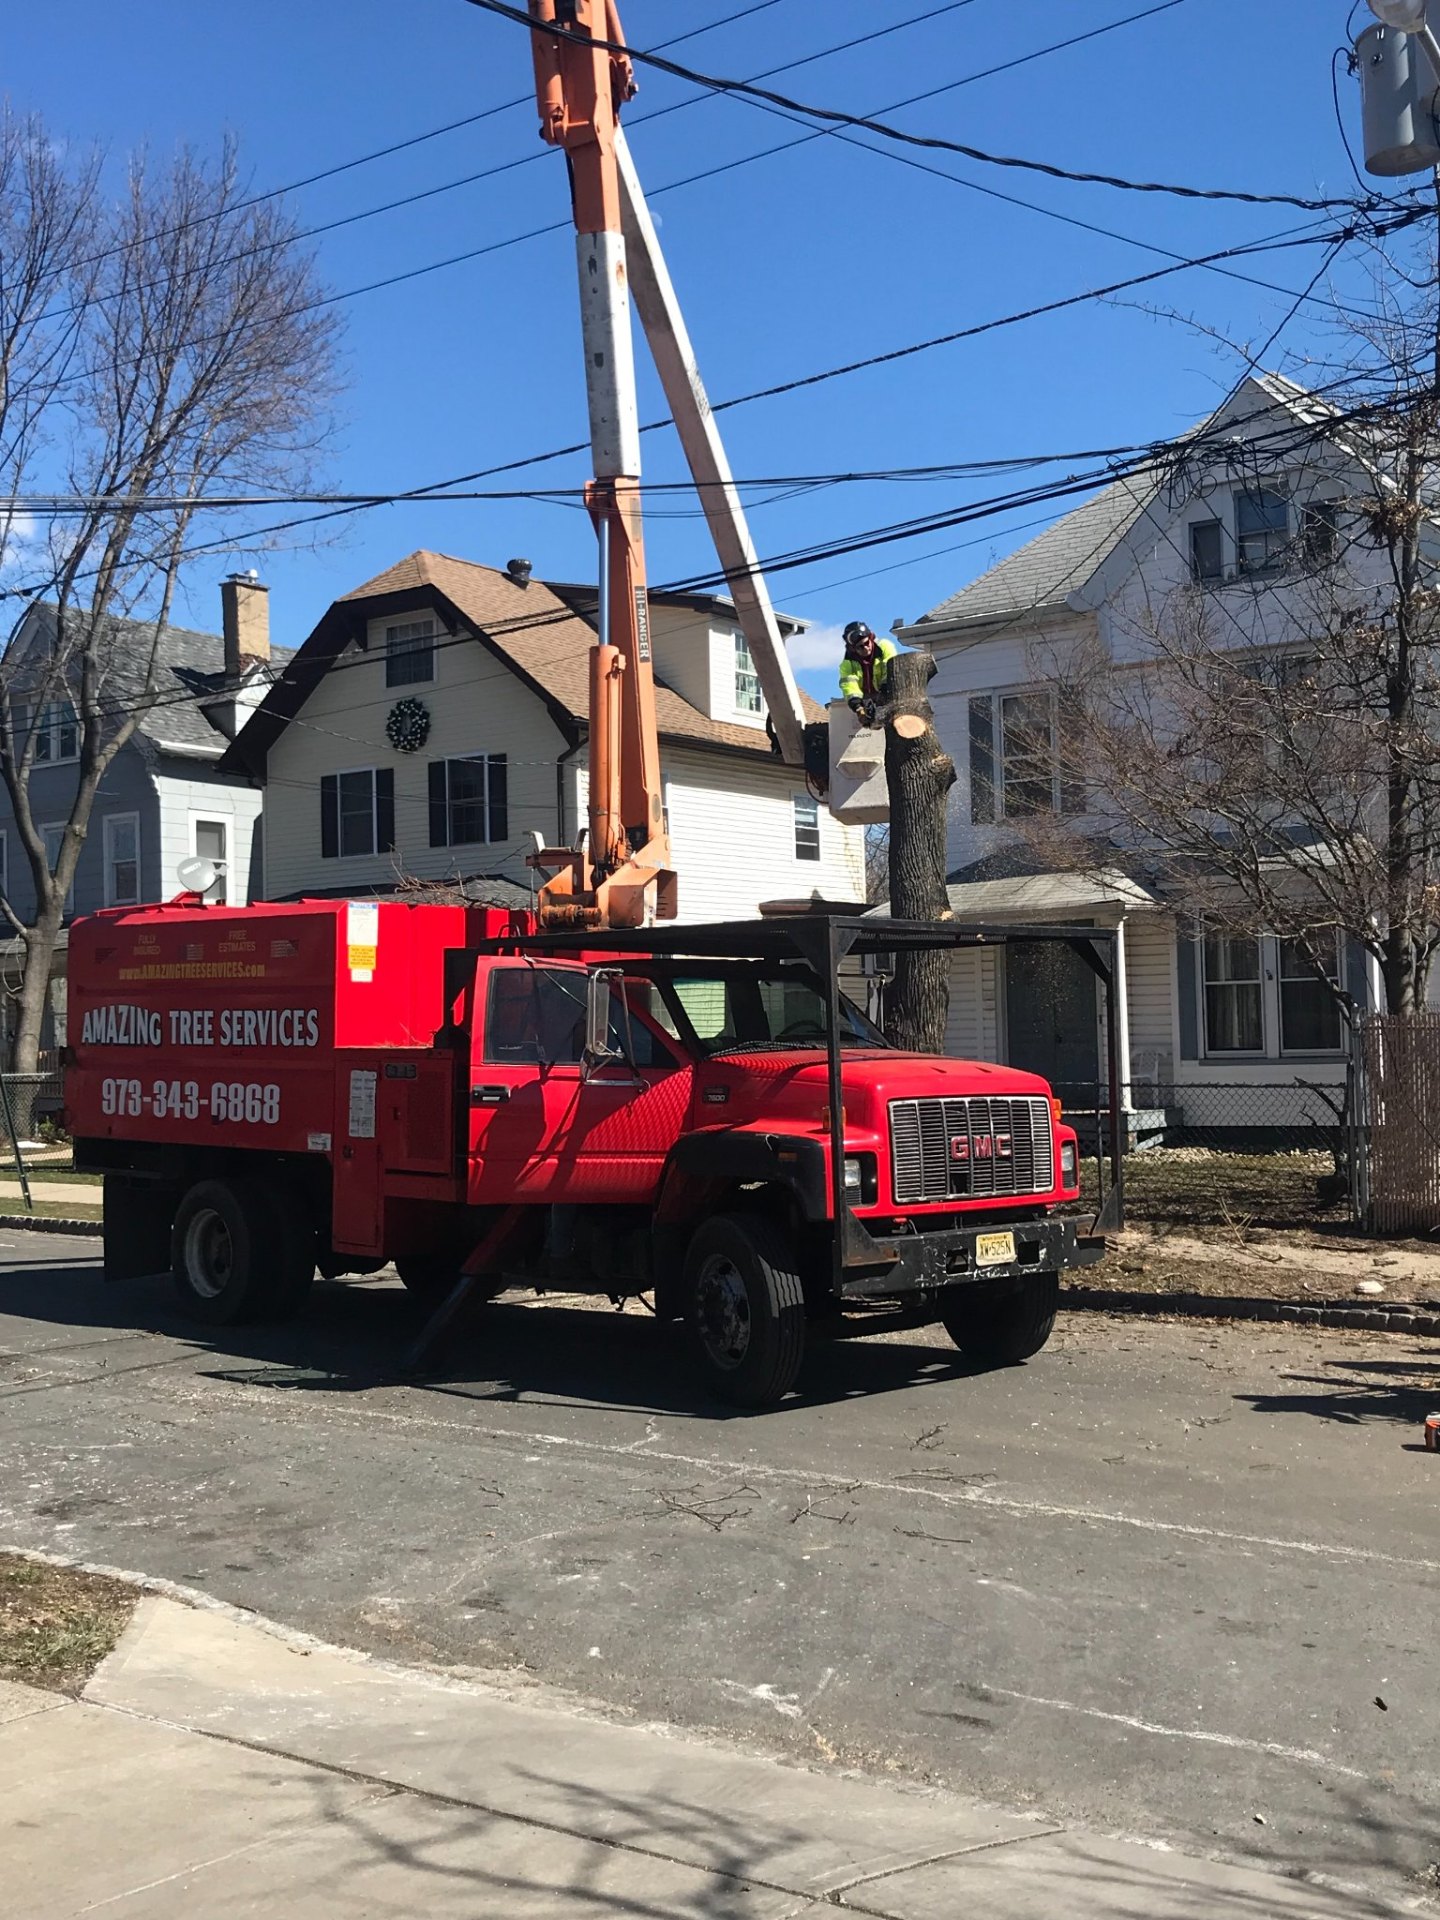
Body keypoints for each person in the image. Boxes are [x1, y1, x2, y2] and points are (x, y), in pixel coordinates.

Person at [838, 621, 897, 726]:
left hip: (888, 694)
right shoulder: (847, 663)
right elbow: (850, 687)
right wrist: (858, 707)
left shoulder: (884, 647)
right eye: (860, 646)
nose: (865, 648)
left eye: (866, 643)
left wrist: (883, 692)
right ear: (853, 648)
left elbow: (890, 670)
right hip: (866, 698)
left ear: (871, 638)